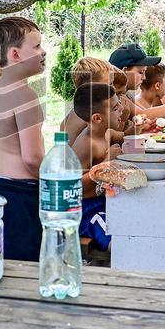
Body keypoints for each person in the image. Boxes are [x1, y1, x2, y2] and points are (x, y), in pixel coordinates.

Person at [0, 16, 47, 261]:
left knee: (1, 264)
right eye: (37, 46)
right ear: (15, 55)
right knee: (27, 269)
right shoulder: (25, 96)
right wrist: (57, 181)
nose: (43, 52)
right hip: (22, 195)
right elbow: (32, 158)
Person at [71, 83, 122, 251]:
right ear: (97, 118)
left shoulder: (106, 132)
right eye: (115, 108)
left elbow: (123, 136)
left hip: (103, 201)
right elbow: (75, 186)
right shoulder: (87, 143)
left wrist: (145, 127)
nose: (121, 108)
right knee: (117, 239)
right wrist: (107, 162)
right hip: (85, 210)